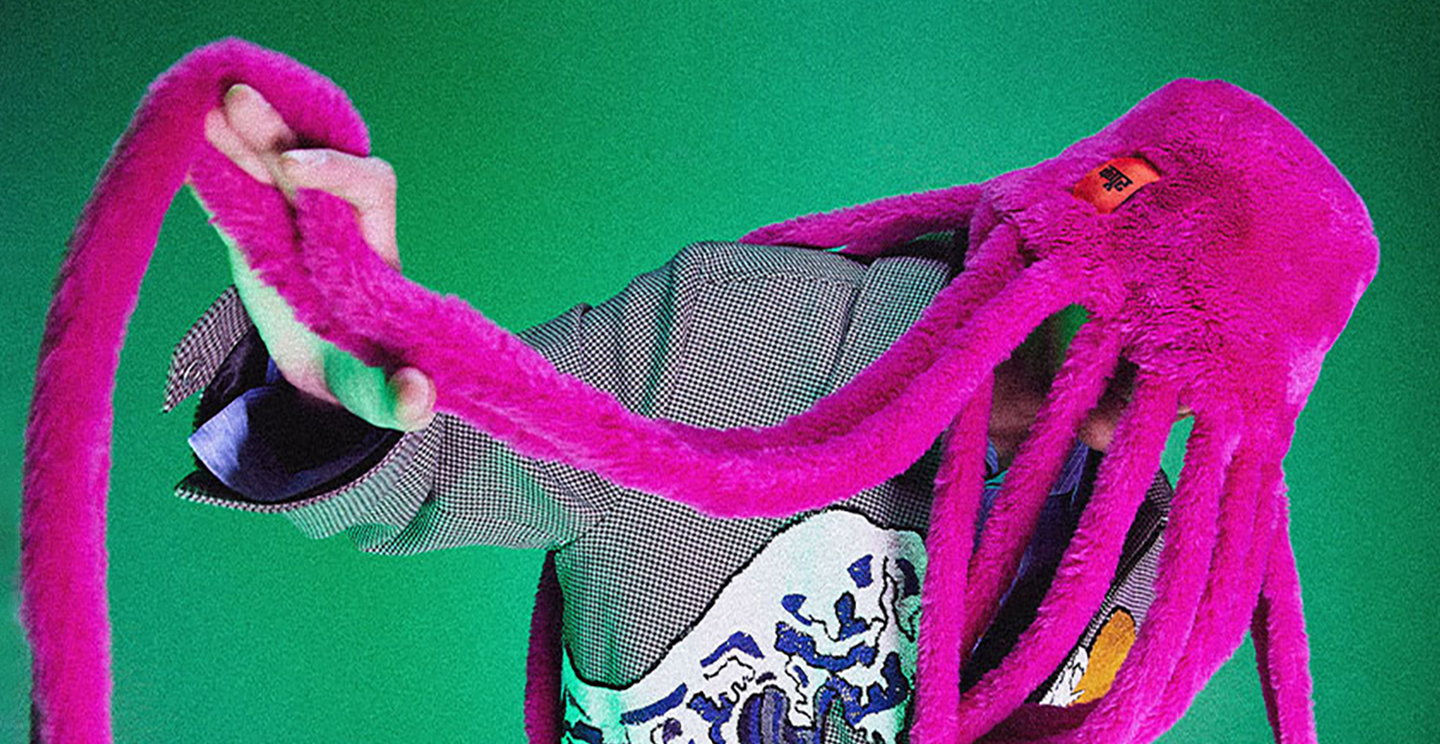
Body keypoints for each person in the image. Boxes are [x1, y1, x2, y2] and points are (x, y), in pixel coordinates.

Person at [166, 83, 1175, 743]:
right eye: (1174, 299)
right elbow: (437, 465)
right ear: (1089, 214)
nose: (1167, 381)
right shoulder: (733, 339)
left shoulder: (1157, 544)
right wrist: (336, 361)